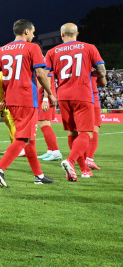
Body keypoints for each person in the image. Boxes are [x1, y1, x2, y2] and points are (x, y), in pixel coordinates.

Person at [0, 20, 56, 187]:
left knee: (29, 138)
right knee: (23, 137)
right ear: (26, 31)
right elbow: (40, 73)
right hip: (26, 97)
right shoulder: (33, 48)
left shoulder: (0, 51)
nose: (33, 35)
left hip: (10, 99)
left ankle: (38, 175)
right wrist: (50, 94)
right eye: (32, 32)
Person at [44, 23, 106, 180]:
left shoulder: (52, 52)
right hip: (83, 95)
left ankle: (84, 170)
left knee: (72, 133)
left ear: (62, 34)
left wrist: (48, 95)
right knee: (86, 132)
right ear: (77, 34)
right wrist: (99, 76)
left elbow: (43, 74)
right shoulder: (89, 47)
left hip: (63, 96)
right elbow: (102, 70)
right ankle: (70, 162)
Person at [36, 61, 62, 161]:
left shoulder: (44, 63)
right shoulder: (40, 63)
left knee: (44, 124)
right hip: (42, 97)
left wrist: (45, 99)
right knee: (44, 124)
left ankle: (56, 151)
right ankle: (50, 151)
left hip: (44, 98)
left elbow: (47, 80)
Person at [84, 72, 103, 171]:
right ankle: (89, 159)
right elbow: (103, 82)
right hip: (92, 98)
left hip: (76, 99)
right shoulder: (94, 66)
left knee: (80, 132)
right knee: (95, 129)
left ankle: (81, 158)